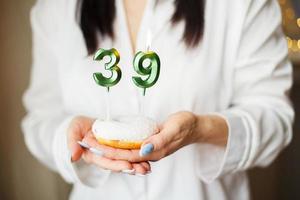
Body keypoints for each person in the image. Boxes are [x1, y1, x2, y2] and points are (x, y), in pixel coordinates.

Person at [22, 0, 294, 199]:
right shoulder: (55, 9)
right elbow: (41, 119)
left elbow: (274, 117)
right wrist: (71, 139)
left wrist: (201, 129)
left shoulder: (241, 5)